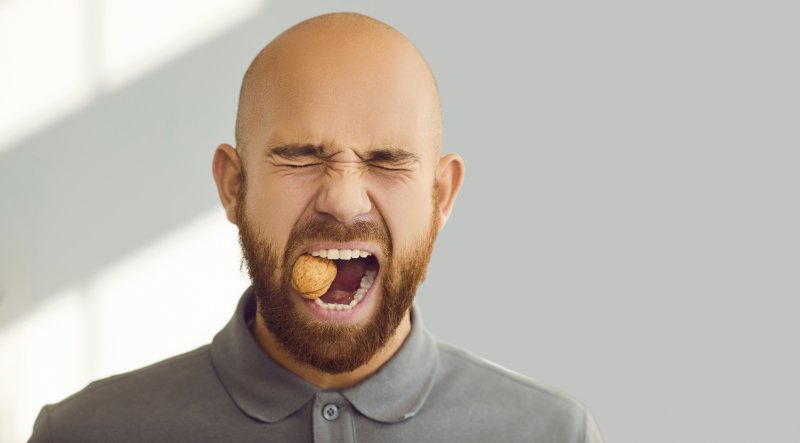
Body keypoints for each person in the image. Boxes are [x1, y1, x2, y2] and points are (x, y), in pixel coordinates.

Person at [29, 12, 603, 442]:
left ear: (440, 196)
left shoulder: (552, 433)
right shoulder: (87, 432)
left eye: (386, 160)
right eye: (301, 157)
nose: (344, 200)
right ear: (234, 186)